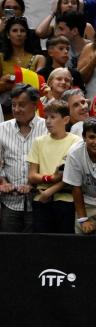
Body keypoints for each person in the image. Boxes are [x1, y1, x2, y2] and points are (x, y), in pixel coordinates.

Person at [28, 99, 81, 234]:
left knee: (64, 244)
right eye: (46, 117)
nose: (48, 121)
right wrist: (51, 178)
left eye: (53, 117)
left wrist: (49, 191)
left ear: (66, 119)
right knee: (42, 243)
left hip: (66, 199)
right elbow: (32, 176)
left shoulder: (76, 141)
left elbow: (71, 175)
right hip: (41, 199)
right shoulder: (38, 142)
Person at [0, 85, 47, 232]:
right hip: (9, 202)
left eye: (21, 105)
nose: (16, 109)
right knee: (9, 249)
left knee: (36, 248)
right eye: (14, 105)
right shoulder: (2, 129)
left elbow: (51, 161)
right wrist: (3, 181)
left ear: (34, 105)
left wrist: (33, 183)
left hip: (39, 201)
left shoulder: (47, 127)